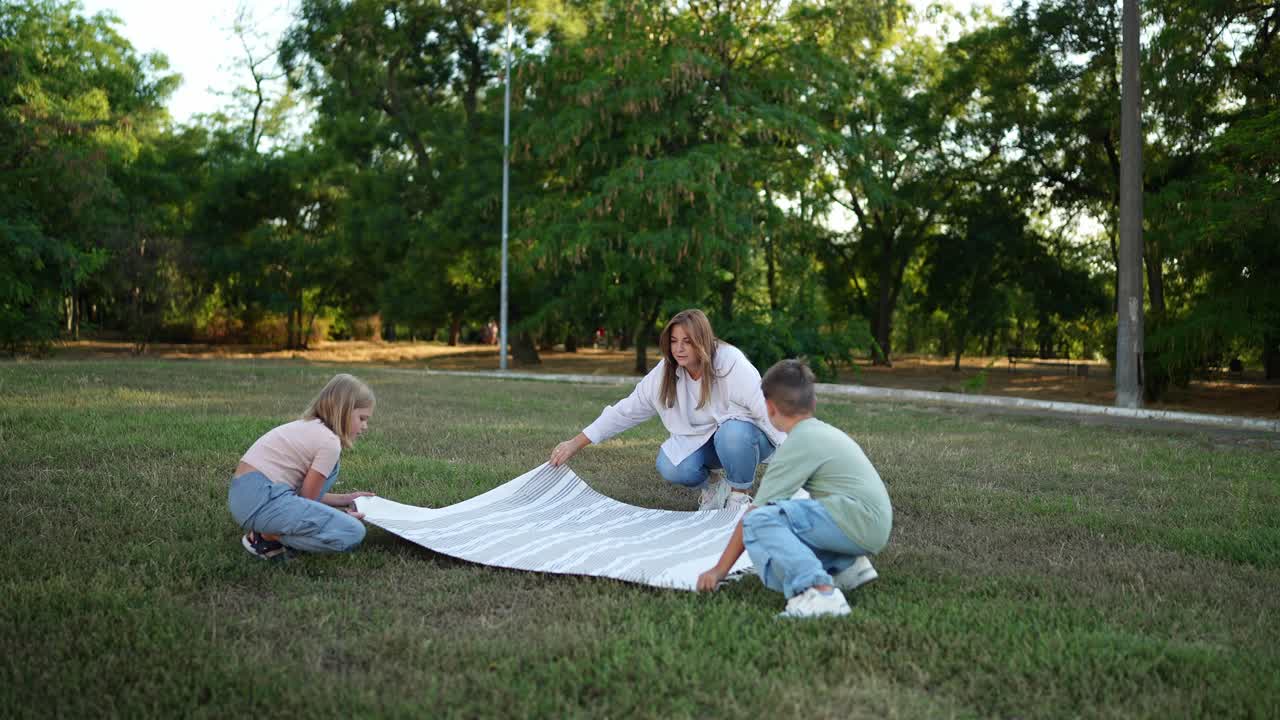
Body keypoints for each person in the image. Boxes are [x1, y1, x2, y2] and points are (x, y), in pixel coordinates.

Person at [695, 359, 893, 618]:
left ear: (769, 407)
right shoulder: (819, 431)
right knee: (785, 515)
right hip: (869, 521)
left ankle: (820, 591)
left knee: (759, 521)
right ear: (812, 403)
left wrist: (719, 570)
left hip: (860, 521)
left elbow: (754, 515)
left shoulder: (798, 442)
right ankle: (845, 566)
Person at [549, 309, 784, 510]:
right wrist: (574, 443)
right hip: (707, 442)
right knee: (671, 466)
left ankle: (738, 498)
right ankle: (714, 487)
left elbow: (766, 409)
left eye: (687, 341)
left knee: (732, 434)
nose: (678, 349)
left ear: (702, 341)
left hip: (748, 438)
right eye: (674, 341)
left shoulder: (730, 362)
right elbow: (626, 411)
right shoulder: (665, 372)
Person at [228, 373, 377, 560]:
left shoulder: (308, 427)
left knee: (331, 475)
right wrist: (337, 520)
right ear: (343, 411)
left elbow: (301, 495)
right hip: (262, 500)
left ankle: (267, 532)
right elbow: (307, 500)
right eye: (362, 418)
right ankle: (265, 537)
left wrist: (347, 498)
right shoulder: (329, 443)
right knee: (353, 532)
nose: (365, 426)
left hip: (245, 497)